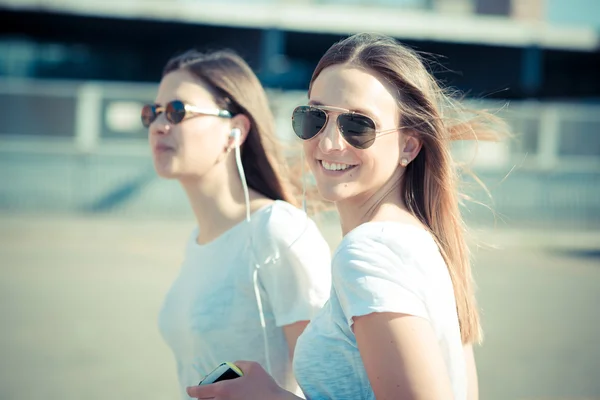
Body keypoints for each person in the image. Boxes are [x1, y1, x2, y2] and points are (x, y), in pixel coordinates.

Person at [186, 33, 508, 400]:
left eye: (358, 126)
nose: (328, 143)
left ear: (408, 145)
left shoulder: (369, 251)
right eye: (315, 118)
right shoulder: (421, 241)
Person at [142, 49, 332, 399]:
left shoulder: (277, 229)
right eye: (151, 113)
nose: (159, 125)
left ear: (236, 130)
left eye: (177, 111)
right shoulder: (197, 241)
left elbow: (329, 386)